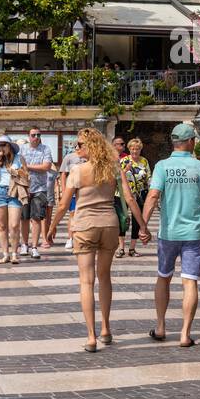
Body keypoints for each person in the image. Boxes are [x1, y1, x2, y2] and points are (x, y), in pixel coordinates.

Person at [47, 128, 151, 352]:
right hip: (110, 224)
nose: (77, 148)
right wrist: (143, 226)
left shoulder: (78, 170)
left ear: (91, 146)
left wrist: (51, 227)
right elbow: (130, 198)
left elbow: (64, 204)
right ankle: (105, 328)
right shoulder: (113, 168)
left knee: (86, 281)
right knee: (104, 277)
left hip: (85, 226)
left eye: (80, 145)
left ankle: (91, 336)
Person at [143, 123, 200, 348]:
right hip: (194, 232)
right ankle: (185, 334)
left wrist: (143, 226)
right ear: (191, 142)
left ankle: (161, 326)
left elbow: (153, 196)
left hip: (169, 232)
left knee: (163, 276)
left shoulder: (162, 166)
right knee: (190, 281)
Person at [0, 138, 28, 265]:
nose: (1, 148)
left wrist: (15, 172)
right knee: (2, 226)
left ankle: (15, 254)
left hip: (15, 191)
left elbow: (26, 175)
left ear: (9, 146)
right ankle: (5, 254)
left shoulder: (19, 158)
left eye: (3, 145)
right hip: (0, 191)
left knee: (15, 225)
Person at [20, 128, 54, 259]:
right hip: (24, 187)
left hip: (40, 188)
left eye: (38, 135)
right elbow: (18, 166)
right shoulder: (22, 149)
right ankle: (24, 244)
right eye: (33, 135)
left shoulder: (45, 149)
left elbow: (46, 167)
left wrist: (27, 166)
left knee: (36, 218)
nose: (36, 137)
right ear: (28, 136)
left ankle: (34, 247)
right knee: (24, 218)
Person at [118, 138, 151, 257]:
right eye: (132, 149)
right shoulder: (124, 160)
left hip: (139, 194)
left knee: (137, 220)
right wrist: (126, 169)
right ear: (129, 149)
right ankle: (121, 248)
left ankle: (132, 248)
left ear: (140, 149)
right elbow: (117, 176)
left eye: (137, 149)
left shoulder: (144, 161)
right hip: (124, 194)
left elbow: (149, 178)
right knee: (122, 219)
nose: (134, 151)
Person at [57, 141, 83, 251]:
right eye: (78, 145)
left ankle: (80, 238)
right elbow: (63, 173)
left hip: (84, 190)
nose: (78, 147)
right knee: (72, 213)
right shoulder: (69, 157)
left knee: (83, 213)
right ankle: (70, 238)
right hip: (72, 188)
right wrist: (64, 190)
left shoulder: (90, 157)